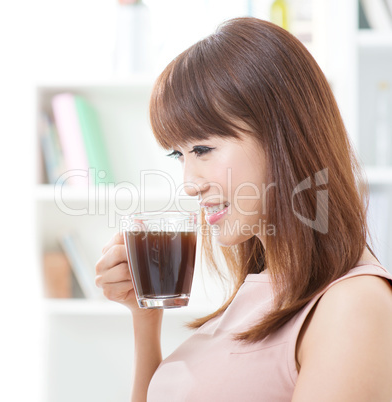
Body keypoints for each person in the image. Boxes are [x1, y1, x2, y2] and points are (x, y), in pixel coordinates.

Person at [95, 17, 392, 401]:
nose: (188, 182)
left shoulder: (354, 305)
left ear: (283, 137)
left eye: (203, 149)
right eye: (178, 155)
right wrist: (145, 318)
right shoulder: (262, 290)